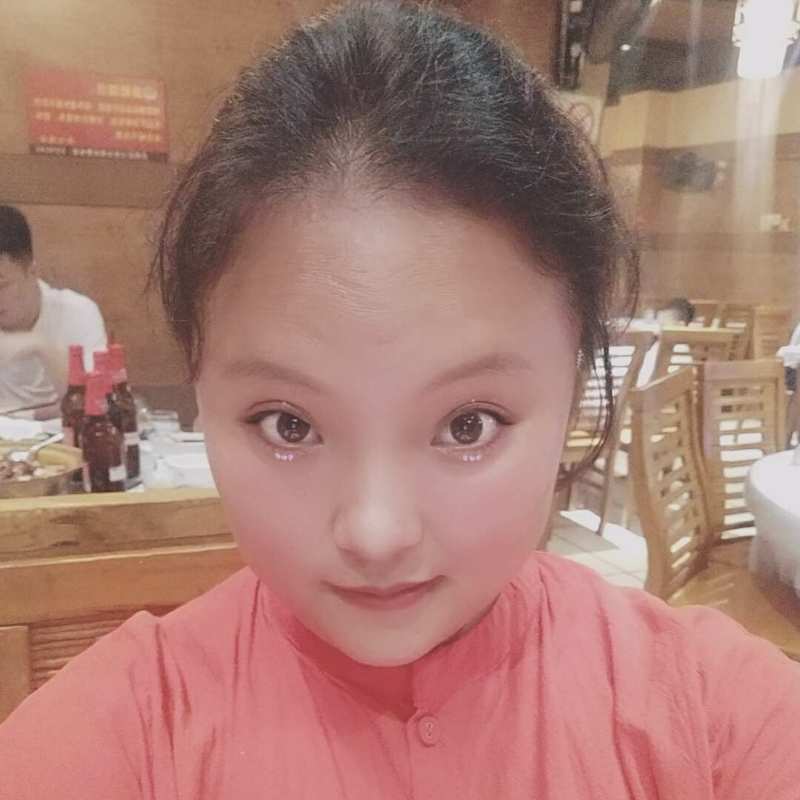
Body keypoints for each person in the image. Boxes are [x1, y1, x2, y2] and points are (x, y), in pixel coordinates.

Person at [1, 2, 798, 797]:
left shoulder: (712, 718)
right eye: (289, 425)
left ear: (573, 386)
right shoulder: (122, 738)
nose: (375, 533)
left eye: (468, 425)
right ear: (200, 391)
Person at [0, 205, 107, 418]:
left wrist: (42, 347)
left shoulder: (78, 313)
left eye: (1, 285)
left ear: (32, 271)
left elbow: (94, 405)